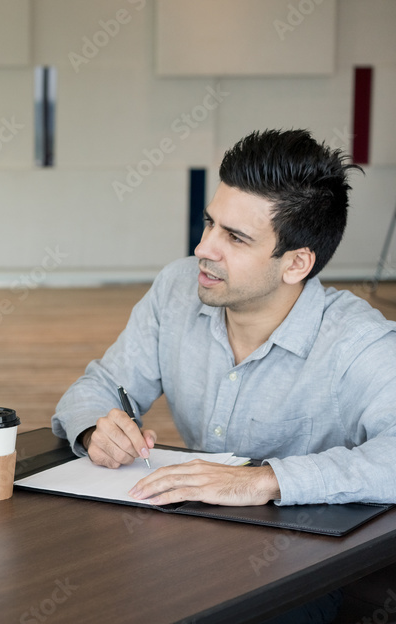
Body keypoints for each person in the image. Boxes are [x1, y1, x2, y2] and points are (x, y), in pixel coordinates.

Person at [53, 129, 396, 509]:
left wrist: (264, 481)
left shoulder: (357, 342)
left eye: (235, 238)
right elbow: (98, 386)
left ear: (296, 263)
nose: (202, 248)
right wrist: (93, 431)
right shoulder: (176, 288)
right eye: (209, 222)